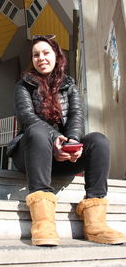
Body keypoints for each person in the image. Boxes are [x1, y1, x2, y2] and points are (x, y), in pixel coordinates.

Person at [7, 35, 126, 246]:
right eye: (36, 55)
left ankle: (95, 224)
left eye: (46, 53)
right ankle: (43, 221)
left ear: (56, 56)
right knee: (37, 131)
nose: (41, 58)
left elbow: (76, 116)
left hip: (62, 159)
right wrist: (55, 139)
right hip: (31, 153)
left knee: (98, 141)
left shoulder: (70, 85)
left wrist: (72, 143)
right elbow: (27, 117)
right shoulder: (23, 85)